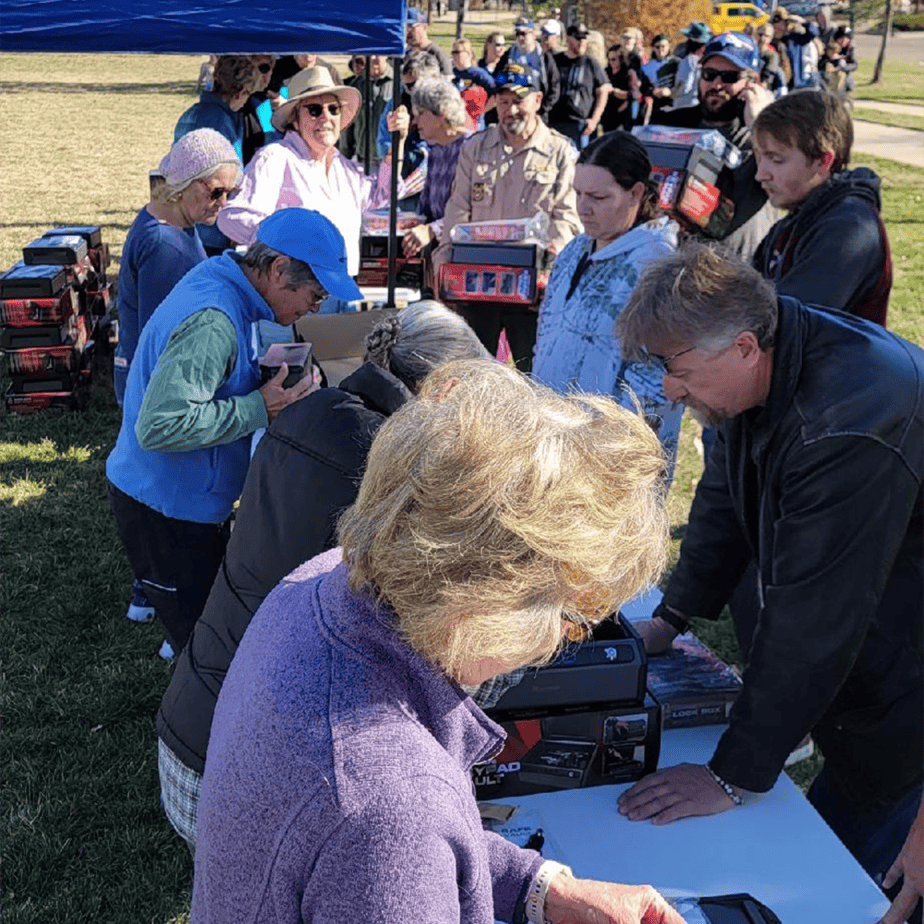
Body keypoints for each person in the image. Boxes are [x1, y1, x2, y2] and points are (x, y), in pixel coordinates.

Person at [190, 356, 685, 924]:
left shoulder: (319, 583)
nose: (560, 643)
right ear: (482, 602)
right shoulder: (392, 803)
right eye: (573, 617)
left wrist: (540, 886)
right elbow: (394, 832)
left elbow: (406, 852)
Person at [615, 243, 923, 916]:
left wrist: (732, 775)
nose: (669, 387)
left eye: (676, 368)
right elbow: (722, 501)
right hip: (867, 652)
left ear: (745, 346)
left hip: (905, 684)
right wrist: (671, 619)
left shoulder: (846, 423)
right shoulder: (754, 375)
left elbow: (814, 616)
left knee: (843, 888)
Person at [156, 301, 491, 849]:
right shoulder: (395, 472)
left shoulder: (315, 410)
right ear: (448, 390)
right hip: (242, 771)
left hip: (193, 723)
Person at [106, 209, 360, 657]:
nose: (313, 310)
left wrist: (261, 383)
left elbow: (205, 380)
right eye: (314, 296)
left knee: (207, 630)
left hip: (179, 503)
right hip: (165, 511)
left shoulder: (224, 280)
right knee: (205, 651)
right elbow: (161, 425)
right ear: (278, 270)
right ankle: (189, 721)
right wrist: (259, 406)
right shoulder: (215, 321)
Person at [532, 131, 681, 470]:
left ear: (636, 193)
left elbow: (657, 382)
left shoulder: (657, 265)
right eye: (578, 194)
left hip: (609, 456)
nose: (583, 207)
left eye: (598, 197)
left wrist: (615, 456)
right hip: (553, 439)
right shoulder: (573, 251)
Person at [434, 63, 581, 370]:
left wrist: (550, 267)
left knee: (536, 377)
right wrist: (444, 264)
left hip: (531, 291)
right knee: (473, 376)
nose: (511, 110)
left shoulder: (561, 152)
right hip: (478, 285)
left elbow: (568, 220)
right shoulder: (475, 148)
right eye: (503, 102)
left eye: (519, 101)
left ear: (537, 101)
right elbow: (457, 210)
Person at [217, 67, 409, 283]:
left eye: (334, 109)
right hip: (295, 290)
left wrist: (396, 144)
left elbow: (383, 194)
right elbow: (232, 216)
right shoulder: (276, 158)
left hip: (342, 287)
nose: (326, 117)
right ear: (295, 120)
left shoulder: (342, 167)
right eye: (315, 110)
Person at [113, 129, 241, 409]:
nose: (223, 202)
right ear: (183, 183)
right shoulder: (164, 246)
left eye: (230, 192)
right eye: (216, 192)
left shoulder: (174, 221)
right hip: (153, 392)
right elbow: (160, 339)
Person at [752, 90, 891, 323]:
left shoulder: (849, 227)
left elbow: (786, 324)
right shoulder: (796, 219)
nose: (760, 174)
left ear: (823, 161)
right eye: (759, 157)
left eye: (776, 159)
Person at [650, 31, 778, 263]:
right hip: (681, 267)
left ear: (753, 82)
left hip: (741, 272)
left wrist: (760, 124)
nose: (717, 84)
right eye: (709, 74)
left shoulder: (766, 136)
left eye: (729, 77)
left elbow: (784, 176)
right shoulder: (672, 125)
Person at [174, 54, 258, 254]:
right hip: (211, 225)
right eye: (248, 94)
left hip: (188, 216)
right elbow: (229, 177)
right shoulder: (221, 122)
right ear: (239, 92)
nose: (246, 101)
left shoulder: (192, 112)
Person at [402, 79, 472, 266]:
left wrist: (431, 230)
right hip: (436, 257)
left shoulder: (473, 150)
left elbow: (474, 213)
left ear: (442, 113)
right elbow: (426, 208)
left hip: (463, 258)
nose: (414, 121)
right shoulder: (436, 150)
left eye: (420, 113)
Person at [549, 23, 610, 148]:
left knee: (578, 163)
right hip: (555, 122)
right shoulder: (555, 61)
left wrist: (594, 120)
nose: (582, 42)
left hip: (580, 124)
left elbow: (603, 91)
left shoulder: (591, 63)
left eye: (584, 38)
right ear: (568, 38)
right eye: (578, 38)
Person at [494, 17, 561, 124]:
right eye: (517, 34)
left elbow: (555, 87)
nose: (520, 37)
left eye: (524, 33)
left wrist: (541, 109)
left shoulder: (544, 57)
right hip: (512, 112)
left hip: (537, 114)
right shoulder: (508, 56)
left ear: (533, 34)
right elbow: (497, 80)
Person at [338, 55, 394, 168]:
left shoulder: (398, 84)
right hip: (362, 163)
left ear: (386, 54)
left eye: (377, 53)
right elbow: (347, 127)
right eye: (368, 54)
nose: (373, 58)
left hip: (390, 164)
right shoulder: (356, 86)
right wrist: (343, 160)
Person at [671, 21, 713, 110]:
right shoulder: (707, 61)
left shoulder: (688, 61)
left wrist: (671, 93)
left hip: (683, 105)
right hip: (698, 105)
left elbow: (684, 87)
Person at [405, 7, 452, 75]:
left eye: (411, 26)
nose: (407, 30)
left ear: (424, 27)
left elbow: (448, 79)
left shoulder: (437, 53)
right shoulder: (405, 54)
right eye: (404, 26)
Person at [642, 33, 678, 116]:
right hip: (656, 104)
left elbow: (683, 84)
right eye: (657, 47)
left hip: (674, 102)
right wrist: (653, 91)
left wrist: (671, 91)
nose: (660, 49)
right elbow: (644, 87)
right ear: (653, 48)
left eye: (663, 46)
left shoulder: (677, 63)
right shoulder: (647, 67)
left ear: (669, 46)